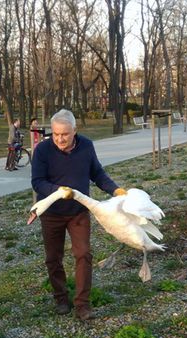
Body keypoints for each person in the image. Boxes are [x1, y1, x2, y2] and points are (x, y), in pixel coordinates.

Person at [31, 109, 126, 321]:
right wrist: (57, 191)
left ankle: (82, 304)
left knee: (83, 254)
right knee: (53, 258)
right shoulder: (42, 150)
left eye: (64, 134)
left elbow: (97, 174)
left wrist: (115, 190)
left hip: (79, 212)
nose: (59, 139)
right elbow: (37, 182)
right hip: (52, 213)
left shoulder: (87, 147)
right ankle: (60, 298)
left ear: (75, 130)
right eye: (55, 134)